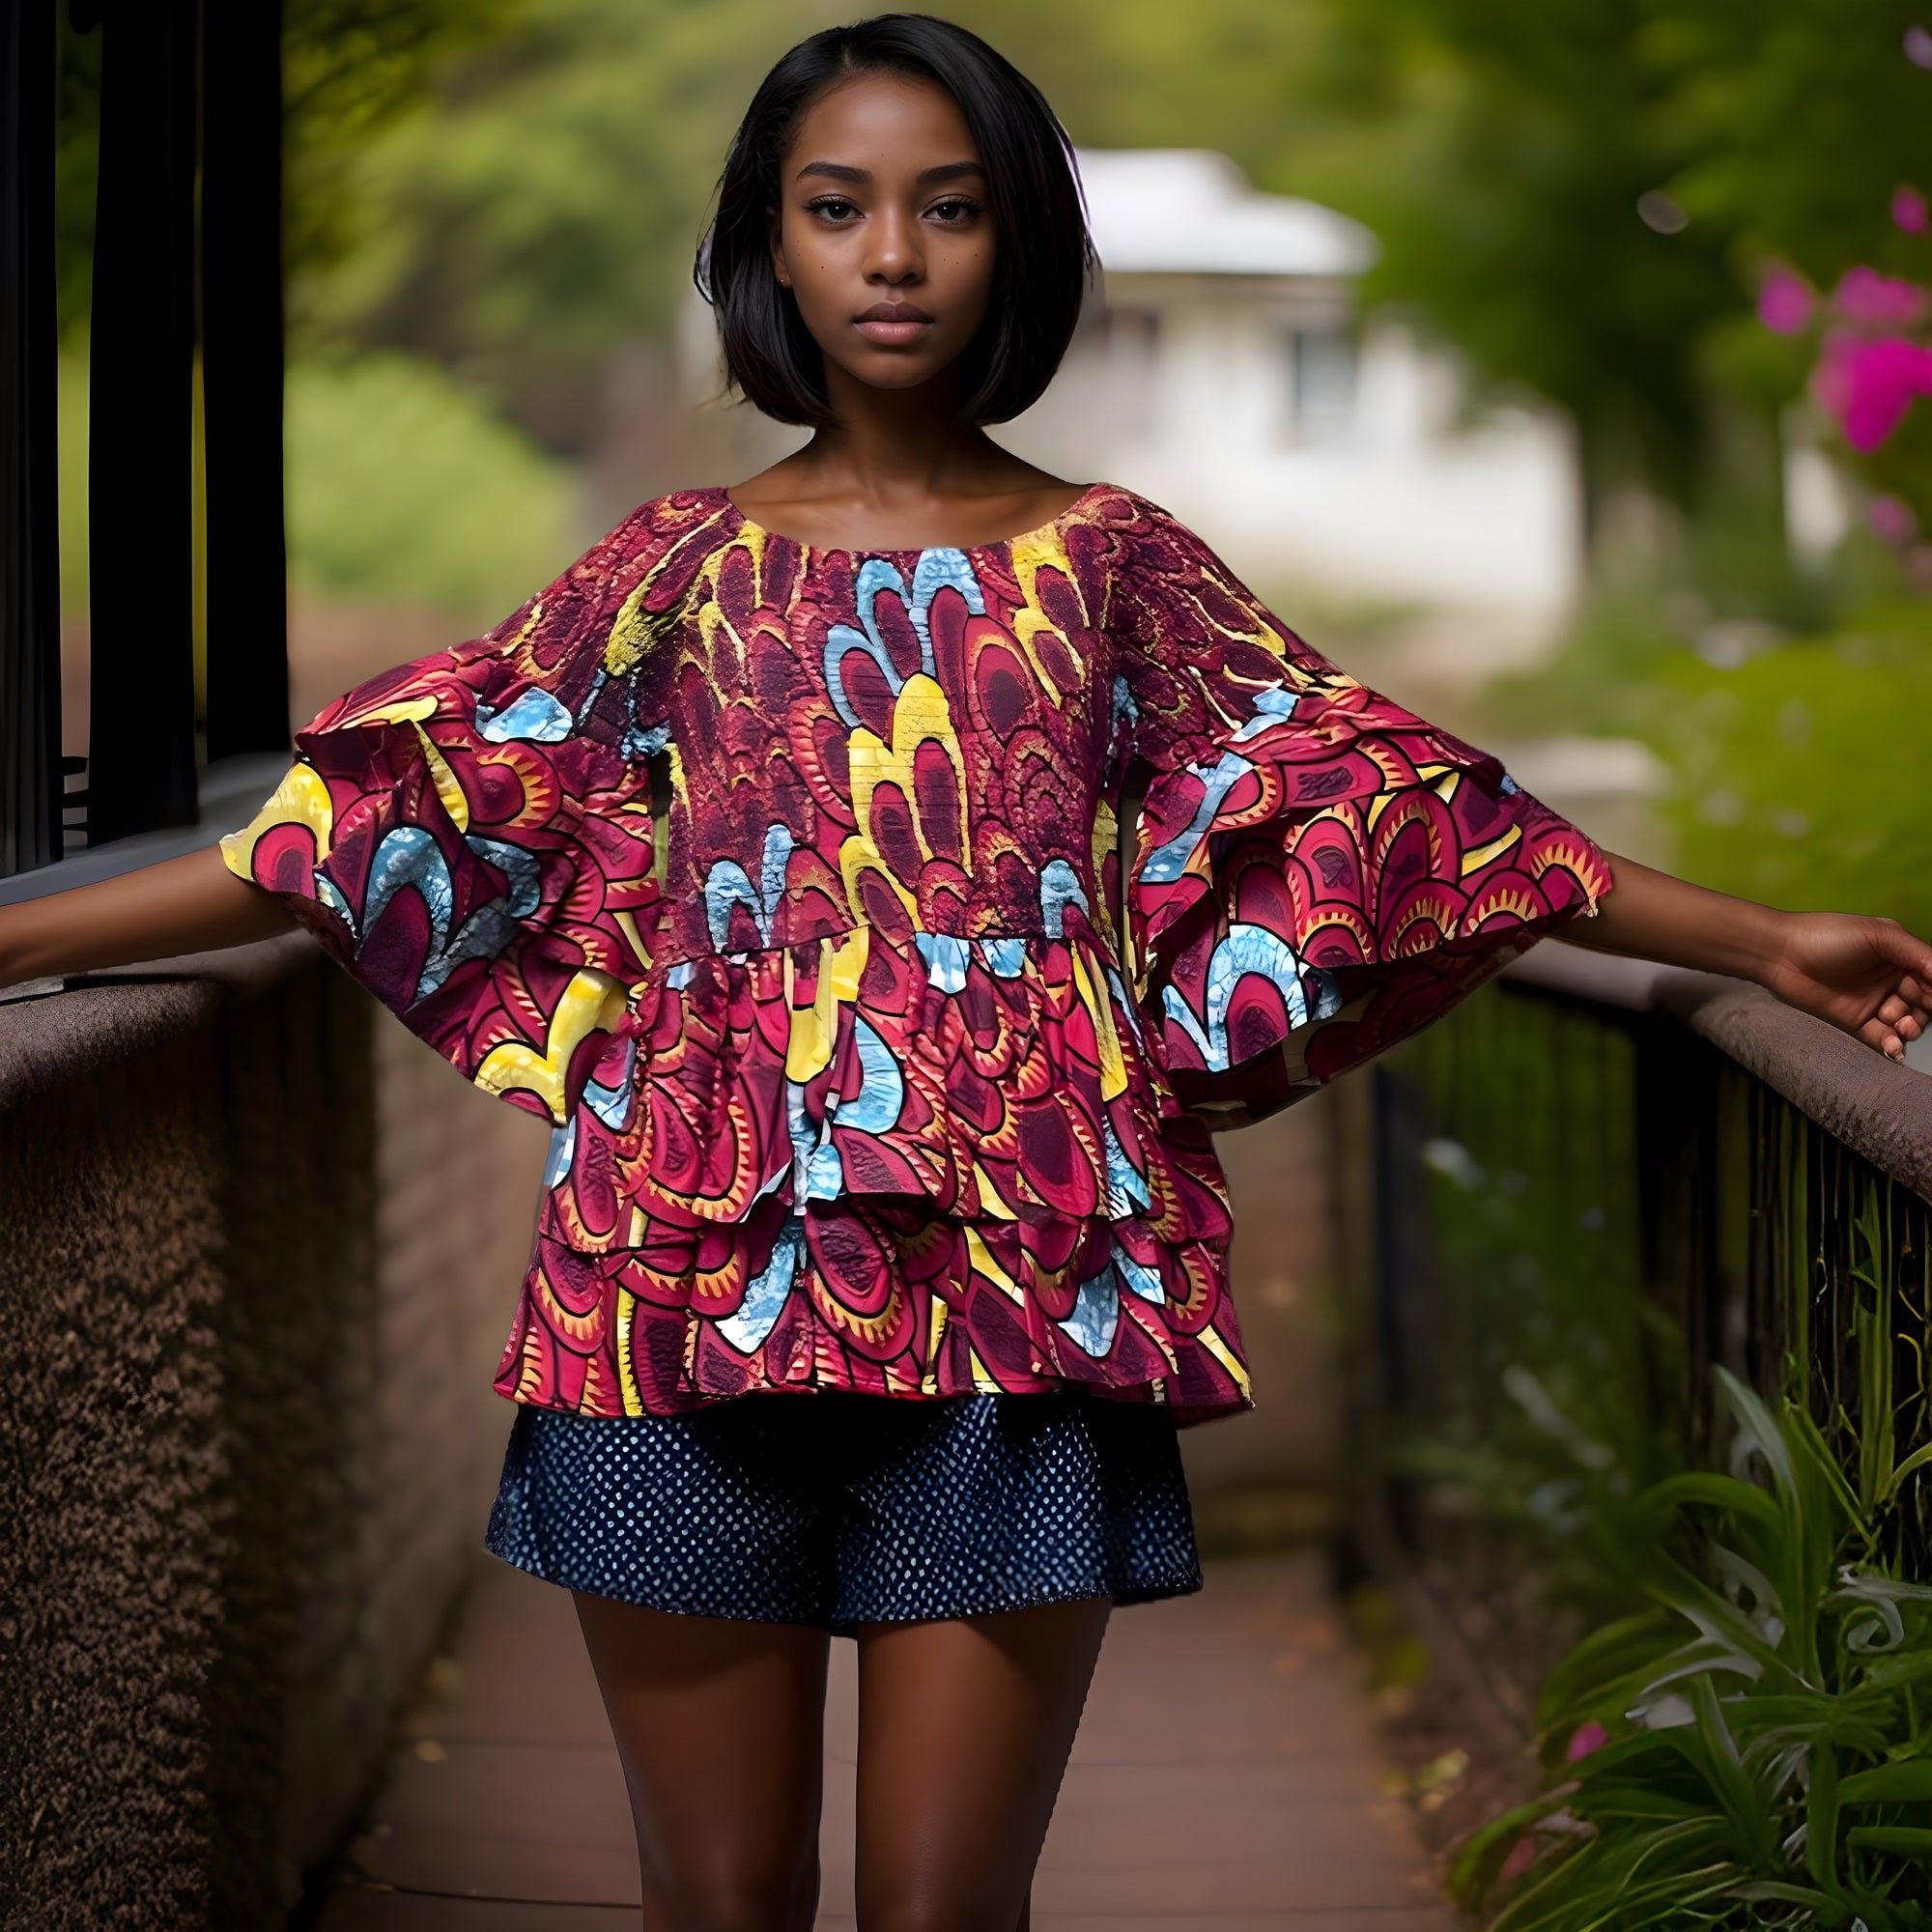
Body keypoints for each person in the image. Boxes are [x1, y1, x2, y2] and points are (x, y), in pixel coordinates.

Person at [4, 14, 1928, 1930]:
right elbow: (356, 832)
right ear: (771, 242)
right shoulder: (667, 568)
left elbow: (1410, 814)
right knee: (724, 1899)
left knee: (944, 1911)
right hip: (668, 1298)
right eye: (838, 209)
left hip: (1027, 1294)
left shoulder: (1117, 564)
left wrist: (1761, 938)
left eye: (949, 209)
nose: (895, 257)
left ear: (1023, 246)